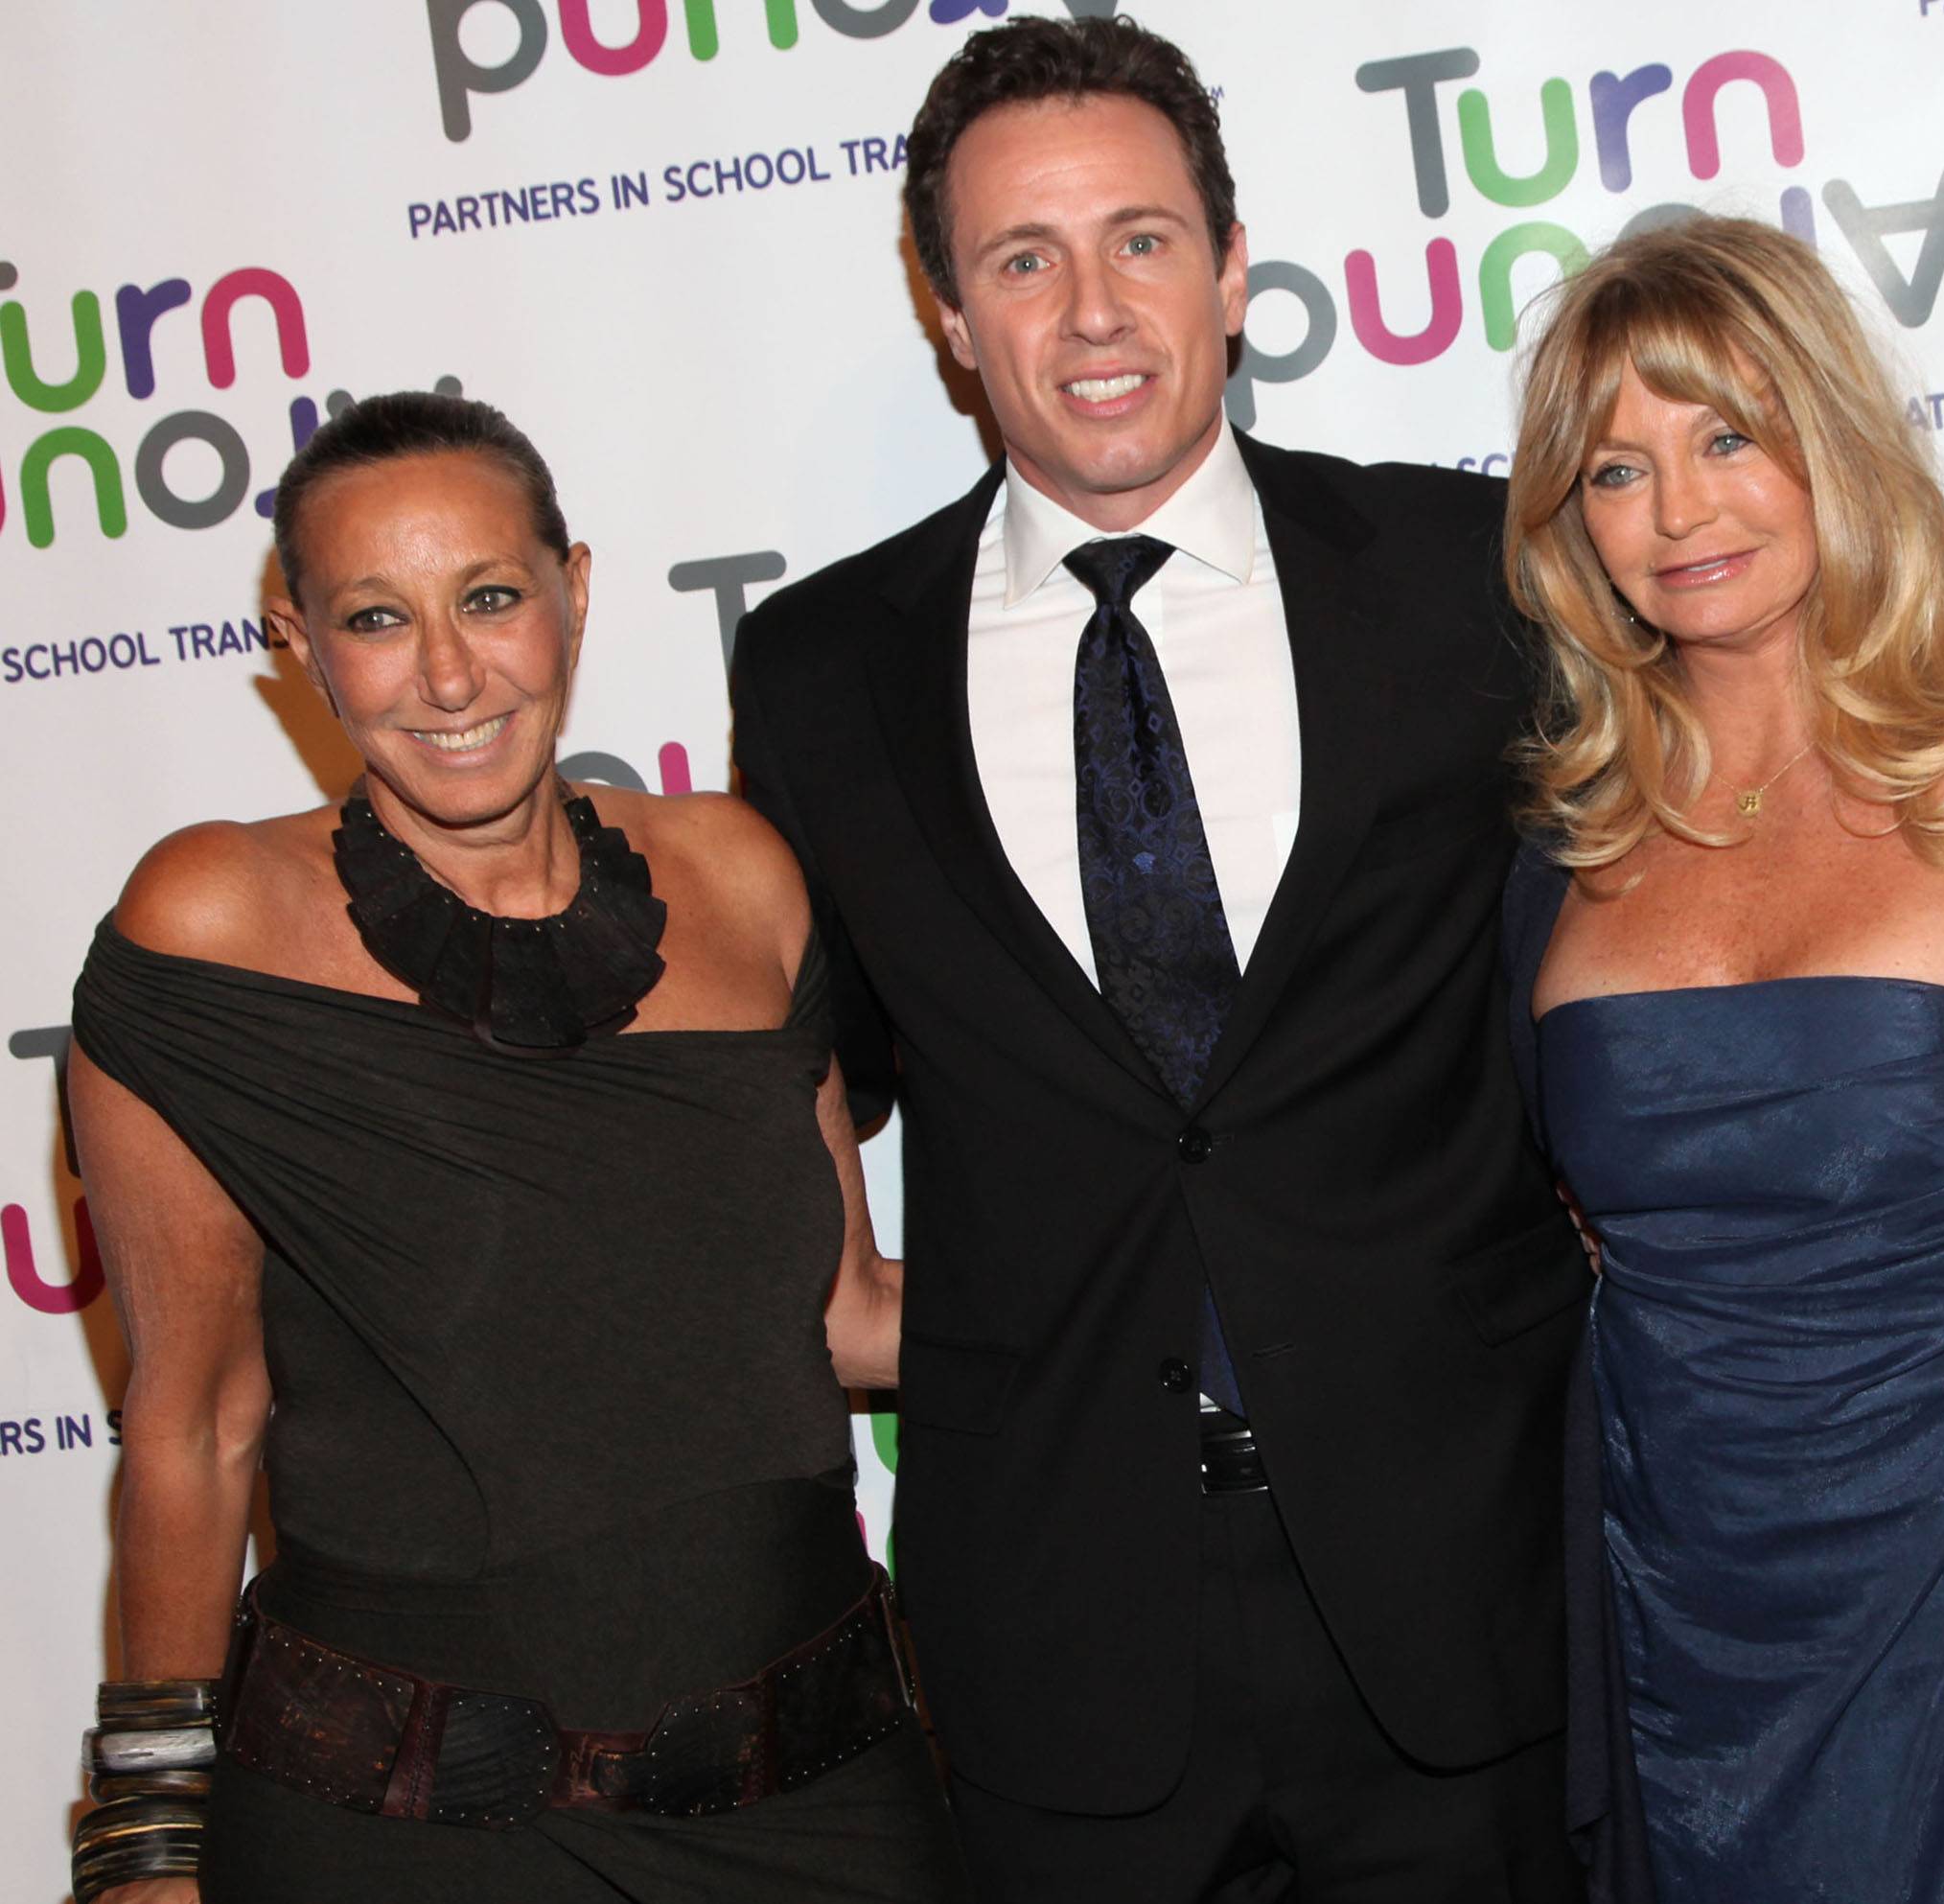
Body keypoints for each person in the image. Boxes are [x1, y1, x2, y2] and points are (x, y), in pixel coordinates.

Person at [728, 16, 1591, 1898]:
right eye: (1021, 259)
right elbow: (800, 1104)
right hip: (1058, 1635)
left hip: (1466, 1592)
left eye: (1141, 238)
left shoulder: (1474, 573)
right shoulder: (820, 673)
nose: (1094, 309)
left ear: (1231, 267)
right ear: (949, 314)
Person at [61, 392, 968, 1904]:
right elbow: (196, 1422)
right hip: (407, 1838)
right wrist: (147, 1843)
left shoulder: (740, 879)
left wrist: (1164, 1295)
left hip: (825, 1796)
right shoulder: (212, 929)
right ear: (300, 645)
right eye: (376, 617)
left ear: (575, 591)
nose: (448, 673)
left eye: (489, 597)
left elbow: (845, 1310)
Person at [1495, 214, 1944, 1902]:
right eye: (1617, 471)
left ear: (1832, 443)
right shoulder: (1556, 851)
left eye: (1729, 437)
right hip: (1675, 1638)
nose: (1679, 511)